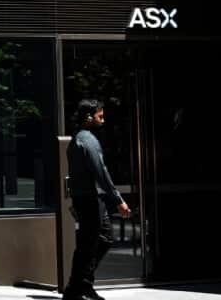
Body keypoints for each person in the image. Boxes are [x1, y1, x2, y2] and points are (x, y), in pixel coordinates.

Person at [63, 99, 132, 300]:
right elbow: (101, 172)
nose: (103, 120)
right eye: (100, 116)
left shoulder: (78, 139)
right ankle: (75, 289)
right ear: (89, 117)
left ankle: (81, 285)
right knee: (88, 244)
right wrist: (118, 199)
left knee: (102, 239)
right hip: (89, 200)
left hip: (86, 199)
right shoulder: (88, 140)